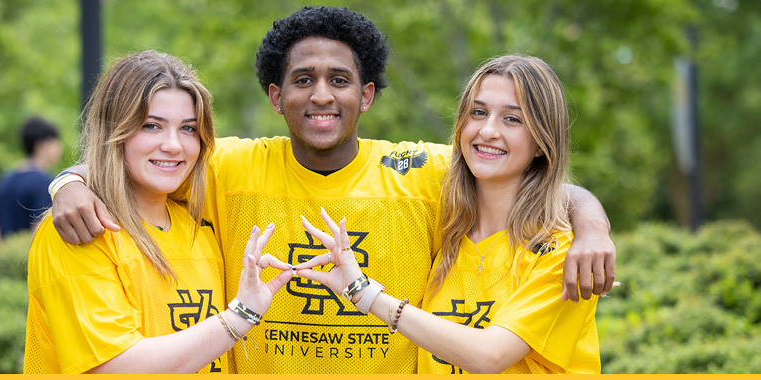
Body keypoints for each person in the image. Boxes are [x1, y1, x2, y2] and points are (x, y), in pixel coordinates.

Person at [48, 6, 616, 373]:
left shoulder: (418, 169)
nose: (322, 95)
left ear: (366, 96)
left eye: (339, 81)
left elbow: (524, 177)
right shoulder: (232, 165)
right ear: (276, 97)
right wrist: (70, 180)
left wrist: (591, 225)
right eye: (303, 80)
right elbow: (154, 153)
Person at [297, 55, 601, 373]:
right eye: (478, 113)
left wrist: (363, 292)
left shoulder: (559, 252)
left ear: (541, 142)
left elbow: (489, 356)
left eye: (512, 119)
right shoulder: (444, 227)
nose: (488, 130)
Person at [23, 50, 293, 374]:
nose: (174, 145)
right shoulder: (79, 230)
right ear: (114, 132)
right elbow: (116, 368)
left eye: (188, 129)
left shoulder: (199, 228)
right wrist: (240, 316)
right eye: (152, 126)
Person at [0, 116, 62, 238]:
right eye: (55, 142)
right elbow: (40, 229)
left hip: (8, 250)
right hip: (29, 254)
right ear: (41, 145)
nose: (59, 148)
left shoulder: (5, 179)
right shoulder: (44, 183)